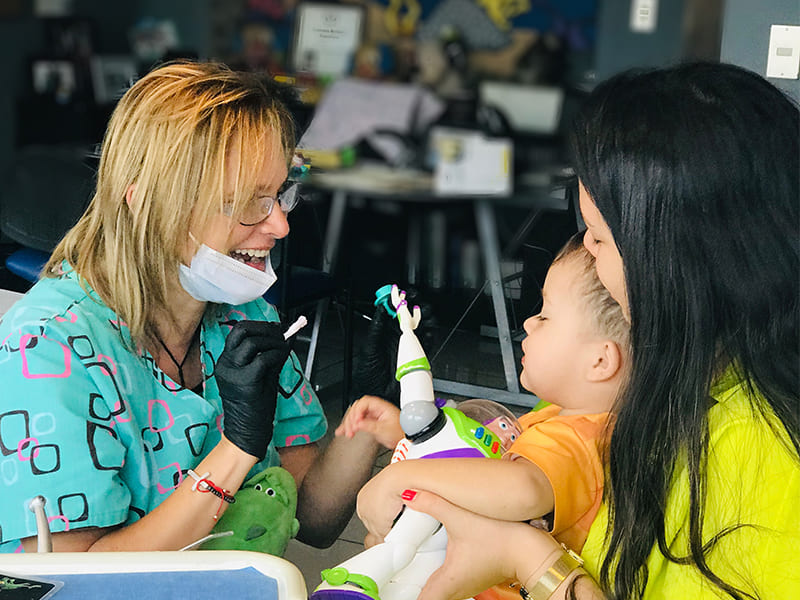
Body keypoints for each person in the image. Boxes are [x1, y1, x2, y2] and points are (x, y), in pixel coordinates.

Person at [399, 61, 800, 600]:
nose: (587, 250)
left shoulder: (766, 455)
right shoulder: (681, 387)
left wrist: (528, 559)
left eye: (599, 236)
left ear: (677, 261)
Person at [0, 61, 381, 553]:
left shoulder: (244, 317)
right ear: (147, 202)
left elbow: (312, 518)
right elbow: (76, 578)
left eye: (279, 195)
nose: (280, 226)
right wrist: (236, 450)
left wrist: (368, 414)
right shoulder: (47, 349)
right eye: (248, 202)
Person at [344, 234, 629, 571]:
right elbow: (483, 459)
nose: (528, 323)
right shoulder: (564, 418)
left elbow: (522, 488)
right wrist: (419, 437)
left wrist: (403, 476)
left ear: (599, 361)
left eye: (545, 317)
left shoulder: (576, 440)